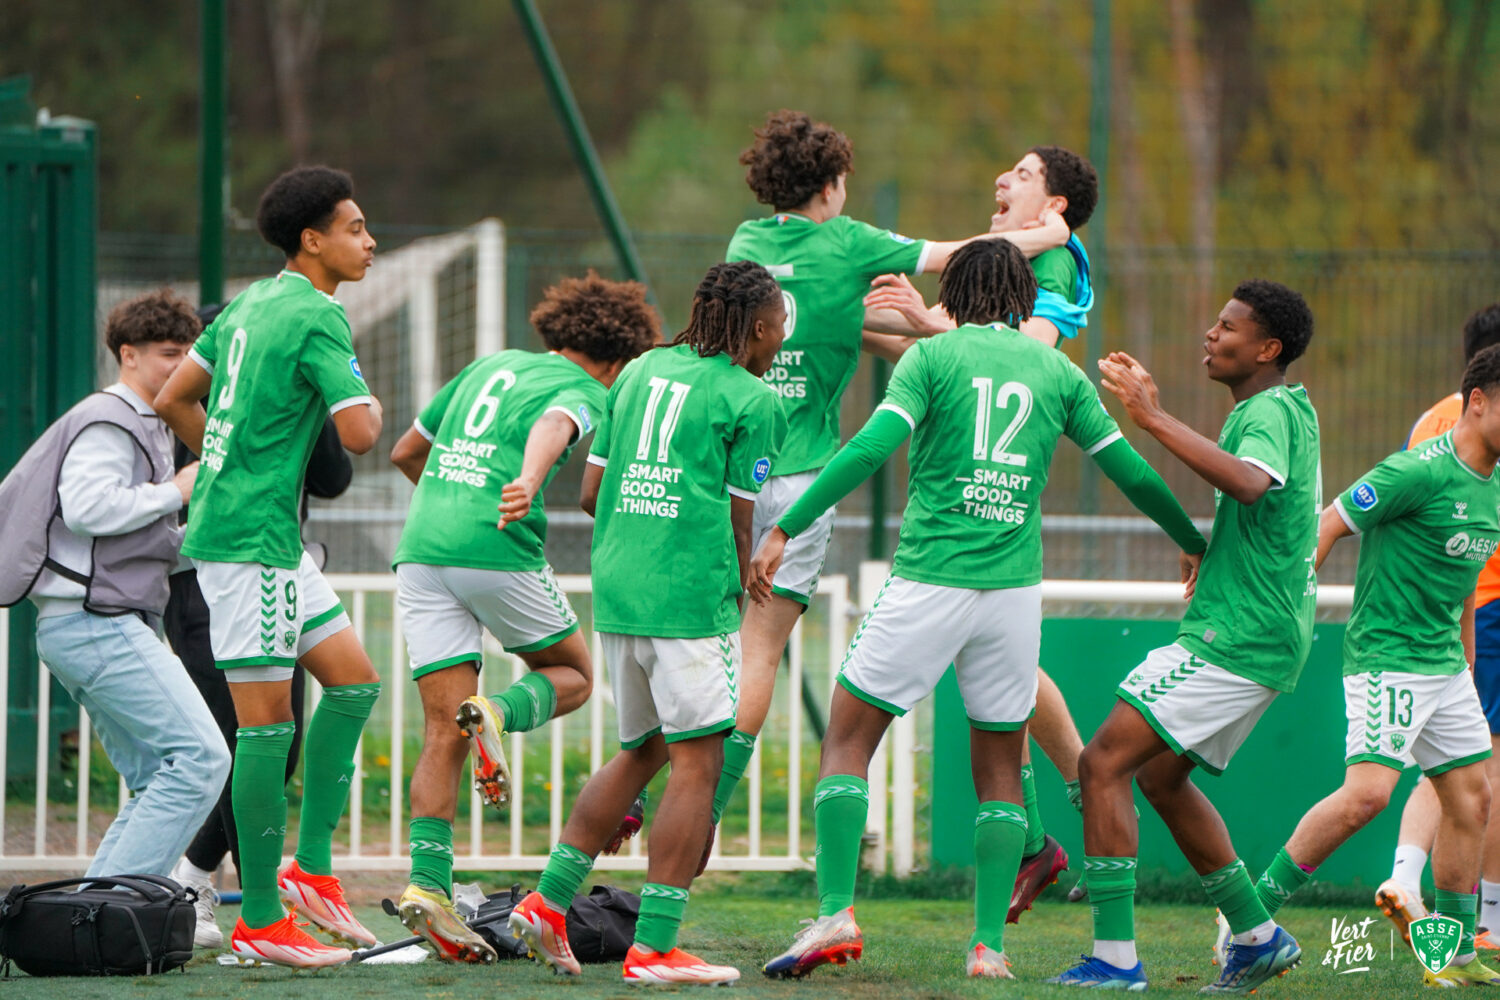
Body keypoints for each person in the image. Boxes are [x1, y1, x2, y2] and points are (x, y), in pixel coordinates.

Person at [752, 239, 1207, 981]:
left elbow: (871, 447)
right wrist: (1191, 539)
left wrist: (784, 526)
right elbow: (1127, 467)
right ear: (1023, 301)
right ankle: (988, 947)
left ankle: (834, 912)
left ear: (955, 297)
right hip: (1012, 596)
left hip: (931, 577)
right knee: (999, 767)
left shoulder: (931, 359)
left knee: (846, 740)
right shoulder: (1055, 370)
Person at [713, 110, 1068, 856]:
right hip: (804, 471)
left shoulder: (746, 243)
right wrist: (1048, 237)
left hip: (732, 469)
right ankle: (705, 813)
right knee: (762, 649)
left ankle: (683, 799)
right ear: (834, 185)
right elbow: (959, 256)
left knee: (712, 641)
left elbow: (823, 323)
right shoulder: (850, 240)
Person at [506, 261, 786, 986]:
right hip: (688, 601)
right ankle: (656, 947)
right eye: (781, 328)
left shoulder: (636, 373)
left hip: (621, 589)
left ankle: (547, 902)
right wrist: (742, 571)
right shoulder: (753, 396)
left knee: (643, 751)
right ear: (759, 327)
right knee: (700, 764)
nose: (783, 342)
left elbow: (592, 490)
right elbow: (738, 515)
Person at [1046, 280, 1317, 993]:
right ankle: (1257, 936)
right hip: (1256, 634)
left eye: (1228, 328)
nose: (1210, 334)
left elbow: (1253, 485)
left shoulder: (1266, 411)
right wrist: (1209, 544)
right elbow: (1261, 510)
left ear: (1268, 348)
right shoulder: (1280, 409)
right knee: (1162, 779)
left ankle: (1114, 959)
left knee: (1101, 764)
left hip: (1238, 637)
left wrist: (1152, 418)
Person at [384, 272, 659, 961]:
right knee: (572, 673)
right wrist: (528, 482)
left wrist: (454, 502)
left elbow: (405, 452)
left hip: (420, 549)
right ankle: (500, 713)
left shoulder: (489, 365)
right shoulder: (593, 389)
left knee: (439, 730)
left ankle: (427, 887)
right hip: (495, 544)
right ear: (619, 356)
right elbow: (555, 423)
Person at [154, 165, 384, 969]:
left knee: (354, 682)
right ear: (313, 240)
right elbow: (359, 437)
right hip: (247, 542)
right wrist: (365, 404)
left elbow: (175, 398)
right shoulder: (319, 316)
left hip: (264, 538)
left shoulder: (250, 302)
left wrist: (227, 449)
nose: (370, 241)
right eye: (355, 228)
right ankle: (256, 920)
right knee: (267, 728)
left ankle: (311, 871)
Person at [863, 144, 1102, 913]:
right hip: (971, 500)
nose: (1002, 180)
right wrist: (854, 325)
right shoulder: (1011, 263)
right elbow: (945, 348)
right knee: (1003, 684)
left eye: (1025, 175)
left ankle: (1086, 812)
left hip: (991, 505)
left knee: (1009, 684)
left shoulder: (1056, 268)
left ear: (1057, 207)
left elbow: (1017, 359)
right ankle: (1037, 843)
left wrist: (919, 319)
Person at [1243, 344, 1500, 988]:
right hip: (1388, 658)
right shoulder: (1415, 471)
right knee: (1367, 797)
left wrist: (1465, 654)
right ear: (1477, 401)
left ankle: (1453, 953)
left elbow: (1467, 574)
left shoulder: (1492, 487)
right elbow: (1327, 524)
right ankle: (1247, 917)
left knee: (1472, 799)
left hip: (1444, 665)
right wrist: (1289, 607)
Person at [0, 290, 230, 880]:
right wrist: (177, 492)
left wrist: (209, 544)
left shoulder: (143, 420)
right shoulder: (110, 418)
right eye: (168, 354)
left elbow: (129, 540)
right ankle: (107, 908)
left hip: (89, 622)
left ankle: (93, 914)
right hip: (95, 621)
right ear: (127, 355)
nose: (181, 368)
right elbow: (87, 509)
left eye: (188, 356)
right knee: (201, 759)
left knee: (160, 776)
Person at [165, 286, 354, 949]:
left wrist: (315, 391)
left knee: (294, 727)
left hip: (277, 554)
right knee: (252, 736)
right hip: (221, 569)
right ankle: (253, 908)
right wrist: (227, 462)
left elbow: (333, 476)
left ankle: (219, 880)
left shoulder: (283, 377)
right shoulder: (213, 396)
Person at [1375, 303, 1500, 948]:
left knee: (1450, 768)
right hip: (1483, 607)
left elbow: (1406, 508)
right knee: (1483, 769)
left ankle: (1406, 875)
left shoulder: (1431, 419)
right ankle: (1488, 923)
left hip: (1440, 607)